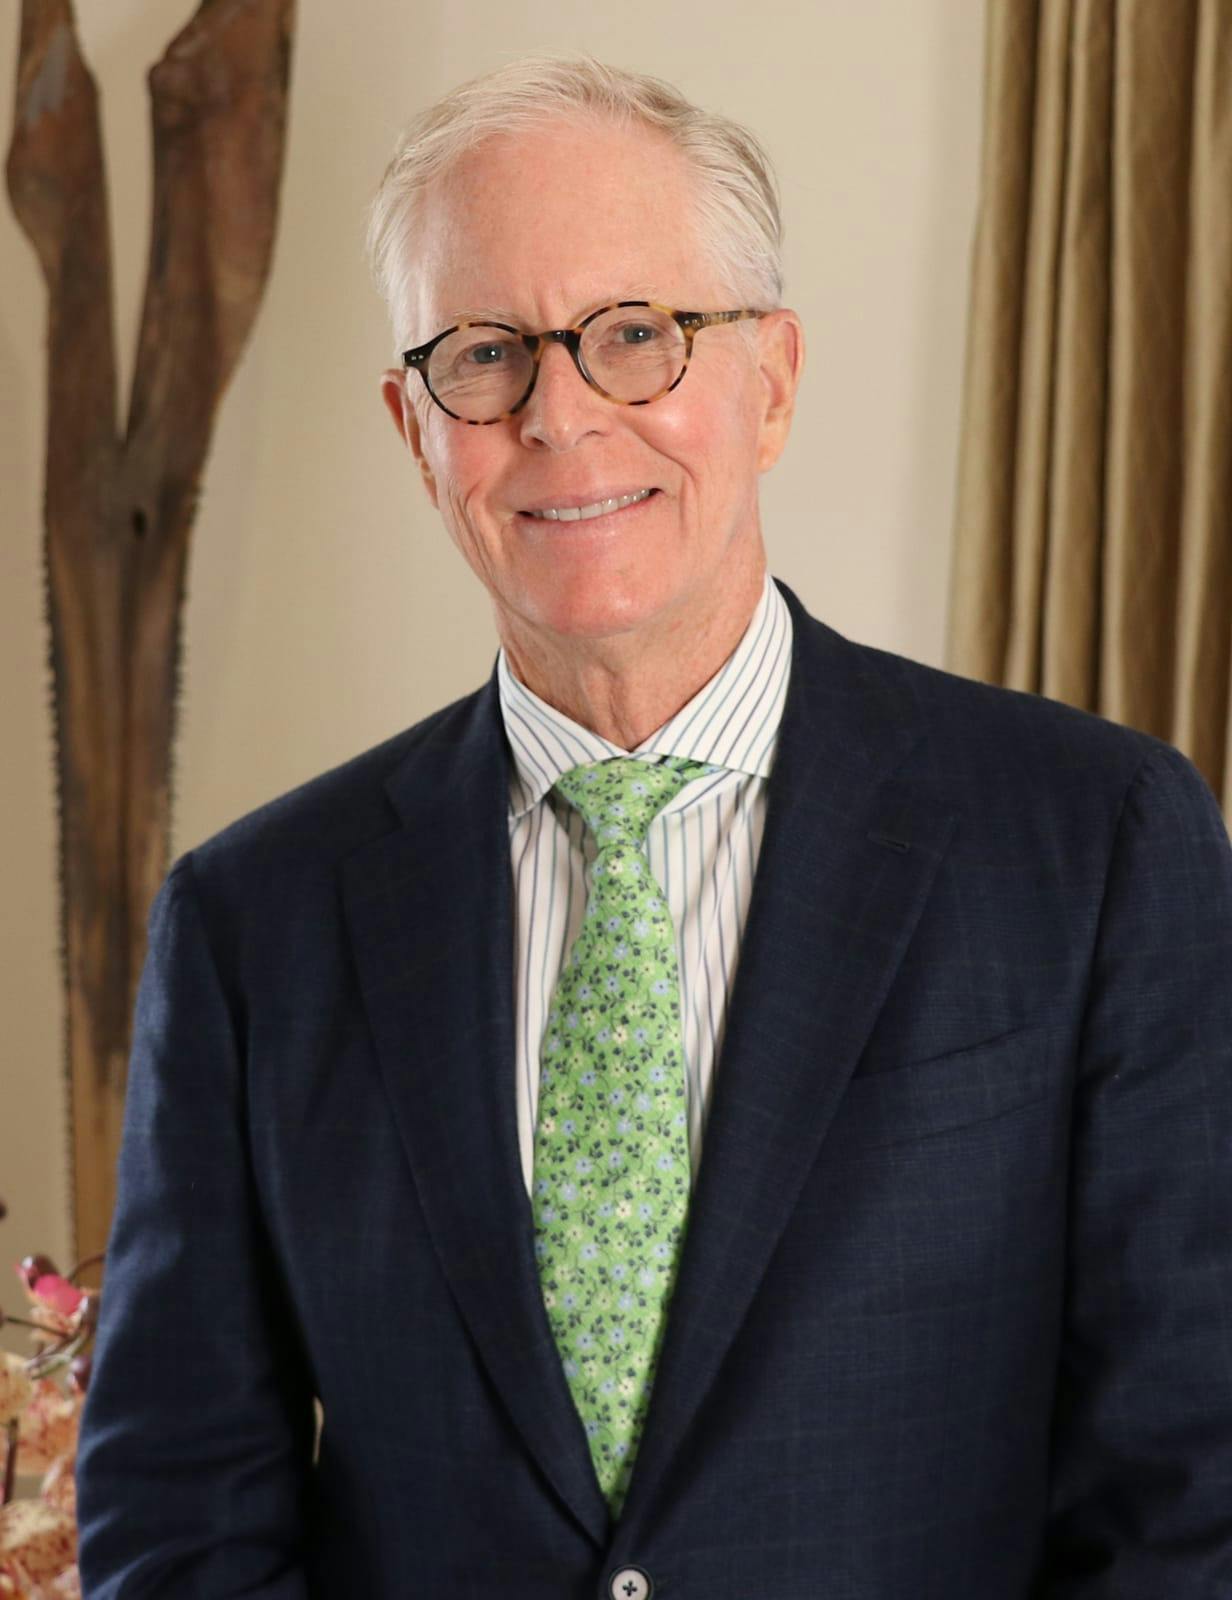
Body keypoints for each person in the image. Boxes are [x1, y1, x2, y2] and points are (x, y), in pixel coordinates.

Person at [76, 54, 1232, 1600]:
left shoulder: (1096, 844)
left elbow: (1186, 1490)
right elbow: (178, 1517)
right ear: (417, 429)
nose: (561, 415)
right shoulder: (250, 924)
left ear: (773, 378)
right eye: (485, 354)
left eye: (637, 334)